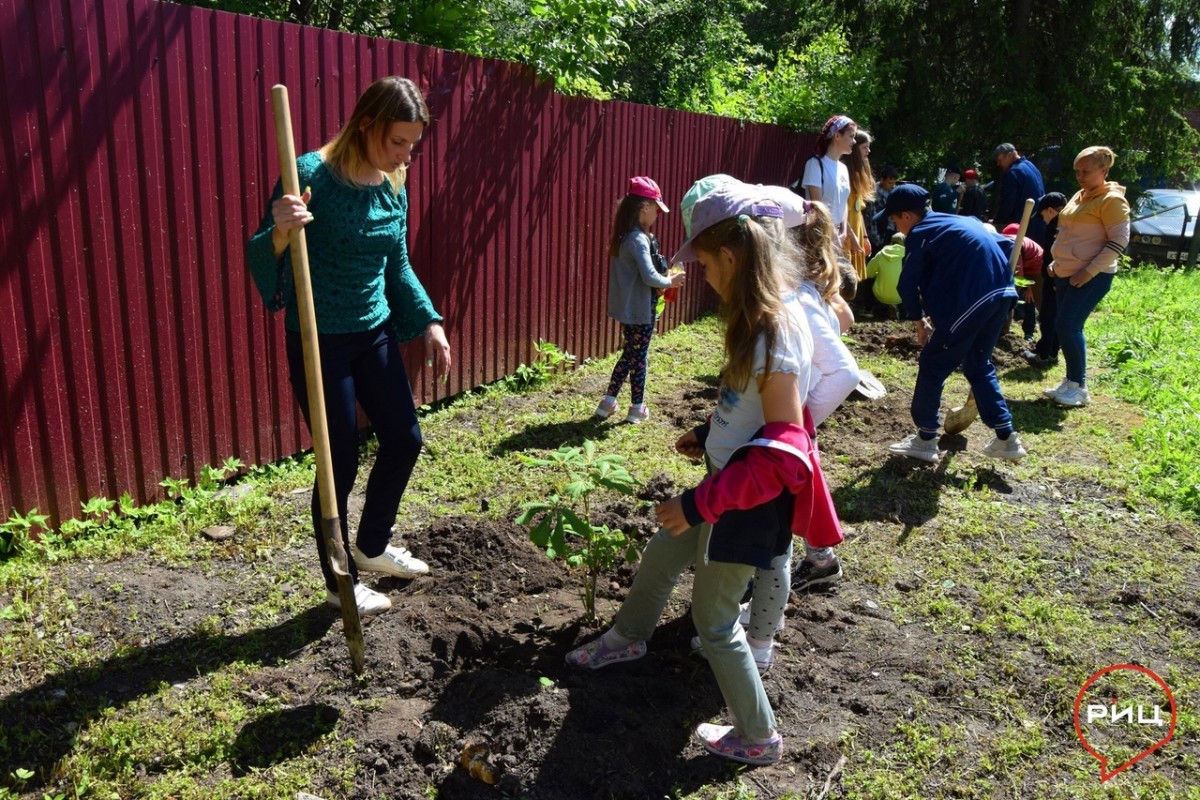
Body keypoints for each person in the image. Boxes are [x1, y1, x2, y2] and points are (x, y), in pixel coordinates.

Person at [566, 182, 840, 768]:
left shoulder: (773, 332)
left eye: (708, 261)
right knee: (662, 556)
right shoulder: (753, 321)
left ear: (735, 259)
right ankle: (628, 637)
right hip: (723, 482)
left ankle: (757, 734)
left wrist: (699, 505)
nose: (703, 275)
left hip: (743, 503)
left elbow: (783, 448)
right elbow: (748, 411)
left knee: (714, 623)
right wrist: (708, 430)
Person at [245, 76, 448, 615]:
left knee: (404, 439)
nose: (405, 154)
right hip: (320, 340)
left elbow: (397, 263)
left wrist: (429, 320)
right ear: (366, 124)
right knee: (338, 462)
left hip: (374, 331)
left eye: (412, 144)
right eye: (396, 141)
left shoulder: (392, 181)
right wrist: (282, 231)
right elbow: (265, 254)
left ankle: (372, 547)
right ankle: (340, 582)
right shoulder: (310, 174)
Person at [878, 185, 1027, 462]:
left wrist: (918, 319)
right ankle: (1007, 438)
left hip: (972, 300)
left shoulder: (922, 234)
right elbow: (1005, 244)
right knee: (977, 364)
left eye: (895, 219)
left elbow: (907, 284)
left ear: (908, 216)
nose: (896, 226)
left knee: (934, 364)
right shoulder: (963, 220)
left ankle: (925, 439)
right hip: (1003, 294)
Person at [1043, 147, 1130, 408]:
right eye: (1077, 171)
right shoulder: (1080, 196)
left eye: (1086, 171)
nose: (1080, 176)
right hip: (1066, 273)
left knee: (1069, 325)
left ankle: (1079, 387)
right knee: (1063, 325)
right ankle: (1070, 383)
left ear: (1103, 170)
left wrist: (1088, 271)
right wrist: (1057, 263)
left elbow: (1119, 241)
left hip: (1092, 275)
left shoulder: (1112, 200)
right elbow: (1068, 233)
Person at [594, 177, 686, 424]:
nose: (657, 214)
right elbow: (649, 277)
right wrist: (671, 281)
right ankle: (637, 408)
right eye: (656, 208)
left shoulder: (626, 235)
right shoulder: (638, 239)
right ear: (645, 207)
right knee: (639, 358)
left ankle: (608, 403)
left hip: (628, 309)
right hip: (640, 310)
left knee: (630, 353)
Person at [1023, 192, 1068, 366]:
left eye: (1042, 215)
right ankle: (1049, 350)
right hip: (1059, 277)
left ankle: (1044, 354)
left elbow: (1055, 255)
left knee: (1049, 317)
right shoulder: (1069, 224)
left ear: (1050, 210)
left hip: (1055, 278)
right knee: (1055, 316)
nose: (1043, 220)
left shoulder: (1055, 227)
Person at [802, 115, 857, 252]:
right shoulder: (815, 164)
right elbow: (818, 206)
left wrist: (845, 231)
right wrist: (832, 233)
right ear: (837, 136)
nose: (854, 141)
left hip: (837, 236)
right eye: (851, 136)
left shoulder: (843, 168)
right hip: (817, 235)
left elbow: (842, 203)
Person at [1001, 222, 1045, 341]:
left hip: (1037, 268)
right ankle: (1003, 330)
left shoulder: (1014, 248)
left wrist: (1030, 289)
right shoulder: (1002, 244)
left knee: (1024, 299)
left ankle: (1034, 334)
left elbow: (1017, 279)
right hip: (1023, 263)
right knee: (1007, 299)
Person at [845, 129, 877, 285]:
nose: (868, 151)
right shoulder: (843, 175)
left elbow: (858, 212)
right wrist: (853, 239)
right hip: (845, 237)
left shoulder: (857, 176)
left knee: (853, 282)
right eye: (865, 147)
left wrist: (864, 237)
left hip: (856, 235)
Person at [993, 143, 1046, 229]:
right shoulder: (1031, 166)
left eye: (1000, 160)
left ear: (1009, 155)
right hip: (1038, 223)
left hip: (1020, 227)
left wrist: (997, 222)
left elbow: (1007, 204)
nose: (998, 164)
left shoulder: (1013, 173)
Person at [864, 232, 905, 312]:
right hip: (901, 297)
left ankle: (868, 309)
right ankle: (903, 310)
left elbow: (868, 273)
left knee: (868, 279)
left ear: (891, 242)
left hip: (880, 295)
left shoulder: (880, 254)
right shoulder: (908, 256)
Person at [873, 166, 900, 246]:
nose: (892, 185)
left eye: (894, 183)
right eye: (889, 183)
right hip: (878, 231)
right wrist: (876, 237)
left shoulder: (895, 191)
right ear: (882, 180)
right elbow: (871, 215)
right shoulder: (873, 192)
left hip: (892, 230)